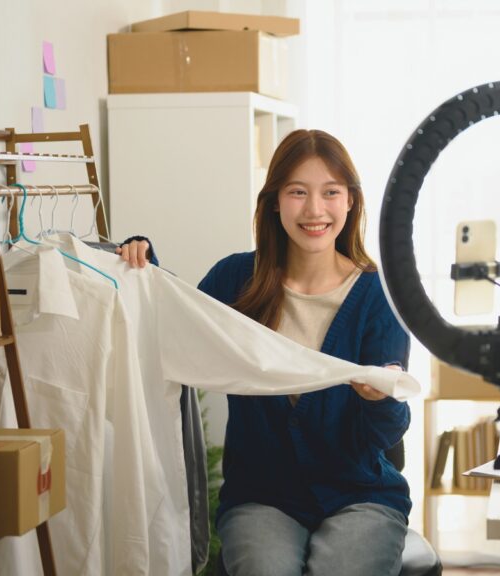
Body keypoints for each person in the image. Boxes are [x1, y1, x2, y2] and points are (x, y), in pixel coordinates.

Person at [118, 129, 411, 576]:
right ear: (275, 201)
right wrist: (142, 264)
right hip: (261, 498)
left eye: (330, 192)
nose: (314, 210)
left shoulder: (379, 295)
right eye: (298, 192)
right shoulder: (235, 280)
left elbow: (384, 436)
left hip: (361, 495)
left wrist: (381, 400)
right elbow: (174, 324)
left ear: (350, 201)